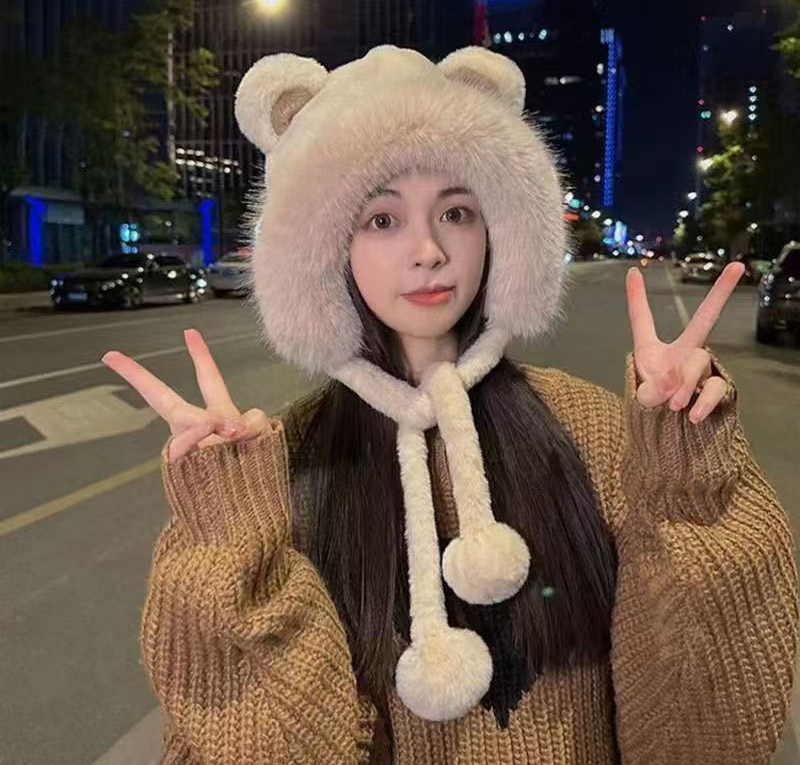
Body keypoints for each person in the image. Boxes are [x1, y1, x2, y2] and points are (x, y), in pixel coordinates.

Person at [101, 45, 799, 765]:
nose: (429, 250)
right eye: (382, 220)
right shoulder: (290, 468)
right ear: (327, 249)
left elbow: (701, 733)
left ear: (496, 232)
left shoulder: (591, 428)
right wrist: (229, 537)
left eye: (456, 212)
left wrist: (688, 473)